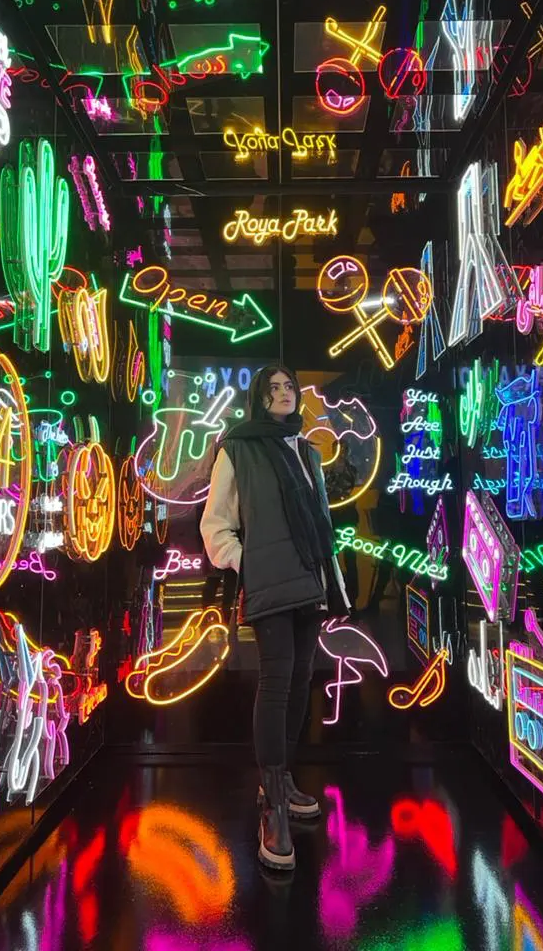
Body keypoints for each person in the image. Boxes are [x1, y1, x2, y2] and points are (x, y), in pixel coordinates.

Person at [201, 365, 350, 872]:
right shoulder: (238, 447)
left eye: (289, 387)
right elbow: (216, 524)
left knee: (302, 677)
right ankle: (271, 802)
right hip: (270, 582)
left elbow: (320, 520)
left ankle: (283, 779)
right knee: (277, 680)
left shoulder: (306, 451)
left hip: (309, 578)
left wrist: (331, 576)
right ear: (259, 398)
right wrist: (249, 562)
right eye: (274, 388)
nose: (284, 394)